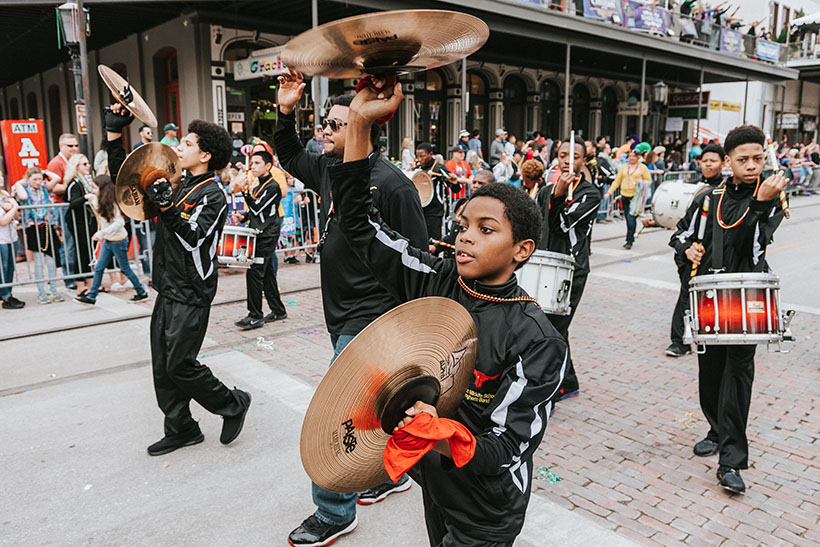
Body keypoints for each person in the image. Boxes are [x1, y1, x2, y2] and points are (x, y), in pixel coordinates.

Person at [331, 79, 567, 546]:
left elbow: (507, 447)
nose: (465, 237)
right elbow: (359, 225)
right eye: (462, 226)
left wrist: (435, 432)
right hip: (434, 485)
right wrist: (359, 121)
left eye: (485, 229)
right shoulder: (435, 280)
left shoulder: (537, 337)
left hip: (487, 508)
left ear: (522, 250)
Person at [274, 69, 427, 547]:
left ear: (366, 128)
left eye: (336, 125)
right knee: (372, 409)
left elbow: (416, 261)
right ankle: (391, 476)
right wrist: (285, 109)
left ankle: (334, 512)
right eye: (324, 122)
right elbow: (290, 154)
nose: (324, 131)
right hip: (339, 313)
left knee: (336, 414)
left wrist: (408, 333)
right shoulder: (328, 168)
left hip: (372, 319)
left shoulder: (394, 186)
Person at [104, 103, 252, 457]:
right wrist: (114, 133)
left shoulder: (213, 194)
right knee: (162, 366)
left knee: (180, 364)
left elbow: (193, 238)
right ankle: (182, 428)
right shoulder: (178, 182)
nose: (178, 148)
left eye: (186, 143)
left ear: (205, 154)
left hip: (191, 293)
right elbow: (125, 179)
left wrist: (168, 207)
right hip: (167, 287)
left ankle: (232, 403)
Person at [670, 125, 787, 494]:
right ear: (728, 162)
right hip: (709, 295)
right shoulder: (708, 198)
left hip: (747, 296)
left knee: (738, 374)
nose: (752, 166)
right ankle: (716, 429)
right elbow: (680, 233)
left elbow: (752, 245)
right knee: (710, 371)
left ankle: (732, 461)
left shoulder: (773, 196)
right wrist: (686, 249)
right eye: (743, 160)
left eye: (758, 159)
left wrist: (762, 203)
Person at [536, 140, 600, 409]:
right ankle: (568, 382)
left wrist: (559, 196)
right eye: (562, 155)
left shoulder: (590, 194)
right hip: (546, 264)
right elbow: (538, 223)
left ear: (583, 160)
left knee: (555, 328)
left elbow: (563, 224)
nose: (566, 160)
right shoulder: (545, 190)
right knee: (548, 325)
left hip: (572, 268)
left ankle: (551, 389)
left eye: (574, 156)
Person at [666, 143, 726, 358]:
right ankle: (680, 341)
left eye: (713, 161)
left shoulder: (728, 192)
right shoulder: (699, 192)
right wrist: (686, 249)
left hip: (720, 261)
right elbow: (680, 231)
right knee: (686, 298)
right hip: (696, 259)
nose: (708, 164)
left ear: (724, 163)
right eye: (705, 161)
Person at [231, 150, 287, 330]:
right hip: (260, 232)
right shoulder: (260, 185)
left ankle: (255, 315)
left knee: (254, 273)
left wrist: (244, 191)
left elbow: (258, 208)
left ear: (268, 166)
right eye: (251, 163)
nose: (252, 167)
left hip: (267, 234)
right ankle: (278, 310)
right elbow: (255, 211)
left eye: (256, 163)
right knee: (268, 272)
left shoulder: (273, 186)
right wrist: (243, 216)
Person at [74, 175, 148, 305]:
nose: (94, 190)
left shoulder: (112, 203)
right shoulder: (104, 200)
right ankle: (91, 296)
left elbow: (119, 222)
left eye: (96, 187)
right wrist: (92, 199)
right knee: (99, 267)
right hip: (109, 240)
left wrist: (101, 233)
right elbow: (102, 212)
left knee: (124, 268)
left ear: (102, 188)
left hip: (118, 240)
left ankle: (141, 292)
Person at [13, 167, 64, 304]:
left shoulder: (44, 188)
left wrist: (44, 172)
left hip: (47, 226)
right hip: (33, 227)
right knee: (39, 262)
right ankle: (42, 293)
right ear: (28, 179)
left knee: (52, 260)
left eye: (39, 179)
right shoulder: (24, 190)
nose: (37, 182)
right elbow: (23, 197)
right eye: (34, 179)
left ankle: (54, 290)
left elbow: (57, 179)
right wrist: (20, 183)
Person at [47, 133, 80, 289]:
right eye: (70, 146)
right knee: (68, 244)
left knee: (77, 242)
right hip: (62, 207)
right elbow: (54, 188)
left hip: (75, 206)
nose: (74, 148)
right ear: (61, 146)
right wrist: (71, 186)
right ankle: (69, 278)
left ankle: (79, 276)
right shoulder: (56, 163)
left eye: (75, 145)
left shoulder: (75, 159)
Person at [63, 154, 98, 297]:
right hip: (78, 222)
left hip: (88, 220)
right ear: (76, 166)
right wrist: (85, 197)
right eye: (84, 164)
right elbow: (72, 202)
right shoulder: (74, 183)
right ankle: (80, 285)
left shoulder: (86, 181)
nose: (88, 166)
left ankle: (90, 284)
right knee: (81, 252)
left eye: (88, 163)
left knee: (89, 252)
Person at [605, 148, 652, 249]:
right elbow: (618, 180)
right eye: (629, 156)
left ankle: (629, 240)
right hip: (624, 195)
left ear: (637, 157)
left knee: (631, 219)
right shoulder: (624, 167)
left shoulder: (642, 167)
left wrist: (641, 182)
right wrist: (609, 192)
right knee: (628, 218)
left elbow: (649, 180)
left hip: (636, 197)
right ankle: (631, 236)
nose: (631, 158)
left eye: (633, 156)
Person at [416, 142, 458, 240]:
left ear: (431, 154)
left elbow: (456, 189)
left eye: (422, 156)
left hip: (434, 211)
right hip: (419, 209)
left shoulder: (439, 169)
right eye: (417, 156)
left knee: (433, 241)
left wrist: (455, 182)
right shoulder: (417, 169)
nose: (419, 159)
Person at [0, 187, 24, 309]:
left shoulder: (4, 193)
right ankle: (5, 296)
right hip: (1, 238)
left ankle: (8, 293)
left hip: (11, 236)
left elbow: (15, 217)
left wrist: (12, 209)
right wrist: (14, 205)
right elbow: (3, 220)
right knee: (2, 268)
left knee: (10, 267)